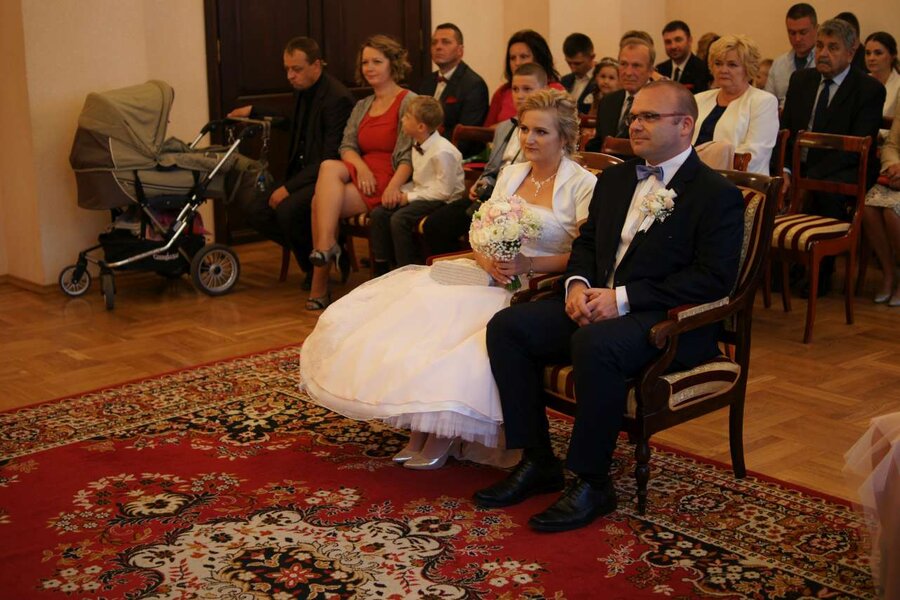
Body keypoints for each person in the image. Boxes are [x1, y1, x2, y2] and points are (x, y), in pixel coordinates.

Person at [475, 80, 744, 532]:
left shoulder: (716, 194)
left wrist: (621, 299)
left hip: (666, 320)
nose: (635, 125)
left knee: (595, 344)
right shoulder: (617, 179)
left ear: (685, 125)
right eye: (634, 116)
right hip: (598, 303)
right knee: (508, 327)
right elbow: (587, 245)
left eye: (649, 117)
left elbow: (713, 279)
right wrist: (577, 286)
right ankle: (538, 459)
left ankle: (593, 481)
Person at [299, 89, 597, 470]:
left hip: (533, 286)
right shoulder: (511, 174)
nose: (529, 139)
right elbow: (481, 230)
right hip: (489, 273)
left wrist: (528, 263)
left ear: (565, 137)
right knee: (421, 309)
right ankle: (421, 429)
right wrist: (486, 259)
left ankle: (442, 433)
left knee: (462, 331)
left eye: (541, 132)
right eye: (524, 129)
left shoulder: (582, 184)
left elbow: (585, 253)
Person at [228, 37, 354, 291]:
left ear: (316, 65)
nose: (290, 76)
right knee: (255, 210)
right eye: (287, 69)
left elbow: (330, 157)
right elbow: (289, 119)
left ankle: (315, 269)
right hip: (302, 174)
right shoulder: (303, 89)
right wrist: (254, 110)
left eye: (296, 69)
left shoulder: (337, 99)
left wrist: (289, 188)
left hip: (325, 178)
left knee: (288, 210)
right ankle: (318, 253)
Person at [306, 35, 416, 310]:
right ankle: (327, 247)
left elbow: (408, 155)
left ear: (392, 64)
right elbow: (346, 146)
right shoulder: (362, 105)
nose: (369, 68)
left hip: (389, 177)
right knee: (328, 167)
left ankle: (319, 284)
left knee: (318, 203)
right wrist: (362, 167)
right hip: (363, 173)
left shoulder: (409, 101)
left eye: (377, 61)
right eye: (365, 62)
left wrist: (393, 185)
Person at [780, 18, 885, 297]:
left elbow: (856, 146)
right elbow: (785, 132)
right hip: (800, 165)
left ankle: (820, 271)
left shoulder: (869, 89)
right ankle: (780, 266)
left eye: (833, 47)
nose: (823, 53)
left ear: (851, 53)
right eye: (820, 46)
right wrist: (787, 170)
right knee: (774, 183)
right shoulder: (801, 80)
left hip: (843, 167)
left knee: (825, 191)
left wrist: (807, 178)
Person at [422, 63, 547, 256]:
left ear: (543, 90)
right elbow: (491, 169)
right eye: (515, 89)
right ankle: (454, 267)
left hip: (518, 200)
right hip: (490, 194)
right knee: (435, 224)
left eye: (527, 89)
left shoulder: (545, 130)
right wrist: (483, 181)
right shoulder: (504, 127)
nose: (520, 95)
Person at [368, 96, 465, 270]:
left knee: (400, 219)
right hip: (423, 194)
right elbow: (421, 181)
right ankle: (383, 265)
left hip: (442, 200)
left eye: (407, 117)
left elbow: (444, 192)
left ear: (421, 127)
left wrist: (408, 197)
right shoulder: (418, 142)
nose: (402, 120)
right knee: (379, 214)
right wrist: (400, 192)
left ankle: (407, 269)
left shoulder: (443, 152)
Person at [693, 35, 779, 174]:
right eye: (718, 63)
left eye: (732, 65)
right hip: (693, 175)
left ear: (748, 68)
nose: (723, 70)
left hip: (737, 180)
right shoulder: (699, 99)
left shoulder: (763, 102)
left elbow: (753, 155)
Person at [417, 23, 489, 157]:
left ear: (460, 50)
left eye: (446, 42)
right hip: (421, 153)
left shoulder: (474, 85)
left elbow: (465, 137)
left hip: (455, 157)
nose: (438, 47)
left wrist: (431, 152)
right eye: (434, 43)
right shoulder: (426, 82)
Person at [584, 36, 655, 152]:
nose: (628, 72)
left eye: (636, 65)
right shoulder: (607, 101)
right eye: (623, 64)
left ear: (650, 70)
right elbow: (598, 143)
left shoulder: (659, 104)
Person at [483, 29, 564, 127]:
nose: (517, 63)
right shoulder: (502, 92)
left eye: (523, 57)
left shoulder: (555, 91)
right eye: (512, 58)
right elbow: (486, 130)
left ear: (539, 59)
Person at [863, 101, 900, 305]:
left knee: (892, 212)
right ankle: (889, 273)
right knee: (868, 207)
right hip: (896, 175)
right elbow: (892, 144)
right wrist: (892, 166)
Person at [765, 3, 818, 107]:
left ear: (816, 29)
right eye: (792, 33)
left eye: (803, 32)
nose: (797, 39)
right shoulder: (778, 64)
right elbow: (767, 103)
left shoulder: (824, 63)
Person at [656, 20, 711, 92]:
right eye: (668, 42)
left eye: (678, 40)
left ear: (689, 40)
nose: (673, 46)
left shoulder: (702, 69)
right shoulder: (660, 70)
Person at [864, 32, 900, 119]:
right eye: (868, 53)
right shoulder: (859, 82)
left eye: (878, 53)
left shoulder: (898, 85)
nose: (871, 58)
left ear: (892, 56)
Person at [561, 33, 597, 115]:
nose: (573, 68)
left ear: (592, 57)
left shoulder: (602, 81)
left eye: (577, 63)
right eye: (569, 63)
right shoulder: (564, 81)